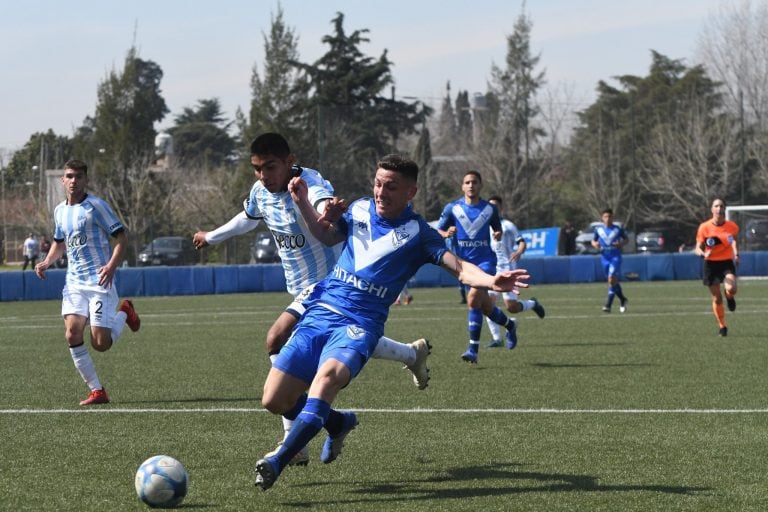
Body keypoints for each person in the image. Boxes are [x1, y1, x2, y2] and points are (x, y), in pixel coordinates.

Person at [253, 154, 531, 491]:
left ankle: (277, 461)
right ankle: (339, 423)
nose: (381, 192)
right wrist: (303, 204)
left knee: (326, 380)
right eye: (378, 184)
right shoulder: (357, 210)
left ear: (411, 192)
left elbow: (458, 267)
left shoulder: (421, 235)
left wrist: (490, 281)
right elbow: (326, 236)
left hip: (360, 324)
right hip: (322, 311)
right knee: (274, 401)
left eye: (391, 187)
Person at [192, 133, 431, 465]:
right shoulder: (262, 191)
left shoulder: (310, 183)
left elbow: (321, 204)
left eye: (270, 167)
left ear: (289, 161)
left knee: (275, 339)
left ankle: (295, 443)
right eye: (257, 169)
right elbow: (248, 217)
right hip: (300, 286)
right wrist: (211, 236)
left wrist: (327, 211)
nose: (263, 175)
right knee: (349, 338)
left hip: (328, 284)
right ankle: (404, 359)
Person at [34, 159, 141, 406]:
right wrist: (47, 261)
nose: (74, 181)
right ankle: (97, 390)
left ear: (86, 180)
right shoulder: (60, 210)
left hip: (99, 281)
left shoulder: (97, 207)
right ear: (63, 180)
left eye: (79, 176)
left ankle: (125, 311)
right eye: (69, 176)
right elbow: (60, 243)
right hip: (74, 283)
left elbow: (121, 238)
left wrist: (112, 266)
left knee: (101, 344)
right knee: (72, 333)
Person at [435, 171, 534, 362]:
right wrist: (446, 233)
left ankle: (473, 350)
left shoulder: (489, 209)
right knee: (486, 307)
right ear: (462, 186)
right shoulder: (452, 208)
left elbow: (498, 229)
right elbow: (438, 230)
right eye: (467, 182)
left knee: (473, 299)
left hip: (485, 262)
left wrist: (497, 234)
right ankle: (510, 326)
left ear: (480, 185)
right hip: (463, 264)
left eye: (474, 182)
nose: (471, 185)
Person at [484, 195, 545, 348]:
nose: (493, 209)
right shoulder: (484, 226)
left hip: (508, 270)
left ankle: (532, 303)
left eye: (496, 207)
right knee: (487, 305)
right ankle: (497, 338)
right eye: (490, 207)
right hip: (491, 270)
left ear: (501, 208)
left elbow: (522, 242)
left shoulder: (508, 225)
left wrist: (518, 251)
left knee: (512, 307)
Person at [694, 197, 740, 337]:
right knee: (717, 299)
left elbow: (733, 242)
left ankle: (730, 297)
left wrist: (736, 255)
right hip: (711, 265)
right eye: (716, 206)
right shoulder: (704, 227)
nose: (719, 208)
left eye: (721, 206)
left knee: (731, 288)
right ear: (712, 209)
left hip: (726, 262)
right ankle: (722, 326)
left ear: (724, 209)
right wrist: (703, 253)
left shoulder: (732, 227)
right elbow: (697, 248)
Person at [591, 208, 629, 313]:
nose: (608, 218)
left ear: (612, 217)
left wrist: (621, 244)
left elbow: (626, 239)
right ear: (602, 218)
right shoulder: (598, 230)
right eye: (605, 216)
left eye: (610, 216)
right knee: (613, 281)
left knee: (611, 278)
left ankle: (608, 304)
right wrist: (595, 245)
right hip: (604, 258)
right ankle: (622, 299)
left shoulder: (617, 229)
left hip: (615, 257)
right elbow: (593, 241)